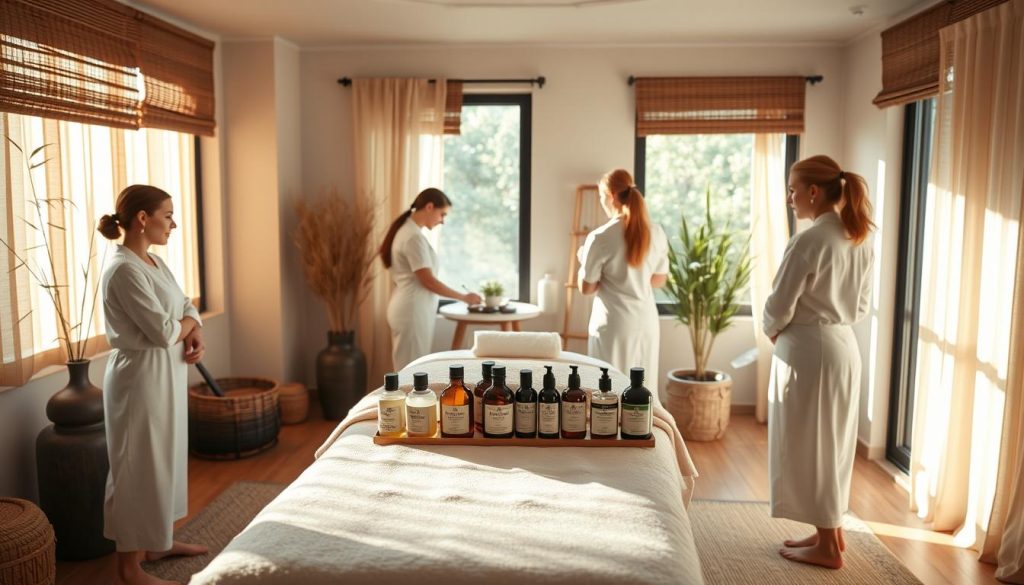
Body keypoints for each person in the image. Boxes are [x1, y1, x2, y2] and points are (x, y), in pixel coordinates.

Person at [762, 155, 875, 570]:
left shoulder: (808, 242)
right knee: (834, 443)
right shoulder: (857, 237)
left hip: (810, 352)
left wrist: (774, 330)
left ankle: (827, 547)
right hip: (844, 348)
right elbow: (861, 307)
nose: (790, 198)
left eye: (793, 190)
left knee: (811, 446)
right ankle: (830, 531)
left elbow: (778, 306)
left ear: (813, 191)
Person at [97, 185, 208, 585]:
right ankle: (129, 569)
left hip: (167, 375)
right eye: (168, 215)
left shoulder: (155, 263)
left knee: (165, 460)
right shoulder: (124, 270)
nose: (173, 224)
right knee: (135, 468)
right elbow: (163, 331)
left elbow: (184, 305)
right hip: (139, 380)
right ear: (143, 219)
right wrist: (188, 327)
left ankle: (159, 542)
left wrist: (193, 325)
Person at [577, 169, 668, 389]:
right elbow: (659, 280)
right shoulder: (656, 232)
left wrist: (583, 260)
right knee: (644, 390)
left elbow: (586, 288)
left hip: (613, 325)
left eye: (601, 197)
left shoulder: (600, 237)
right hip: (646, 322)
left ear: (611, 196)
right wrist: (636, 279)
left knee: (609, 391)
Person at [379, 188, 481, 370]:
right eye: (442, 214)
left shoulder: (409, 232)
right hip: (411, 311)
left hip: (411, 309)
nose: (443, 221)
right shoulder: (412, 237)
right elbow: (428, 281)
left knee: (409, 369)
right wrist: (464, 297)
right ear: (429, 207)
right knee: (410, 371)